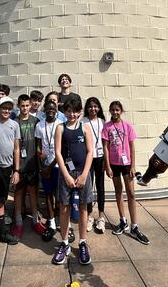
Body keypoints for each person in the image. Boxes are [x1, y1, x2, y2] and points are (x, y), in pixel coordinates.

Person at [52, 97, 93, 265]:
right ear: (64, 111)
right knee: (64, 207)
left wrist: (84, 175)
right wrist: (67, 176)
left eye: (75, 111)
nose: (72, 114)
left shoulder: (85, 127)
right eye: (69, 111)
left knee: (83, 207)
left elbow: (90, 152)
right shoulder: (60, 128)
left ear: (80, 112)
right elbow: (58, 153)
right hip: (66, 173)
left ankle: (82, 242)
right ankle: (64, 242)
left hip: (83, 172)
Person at [102, 101, 150, 245]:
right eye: (113, 110)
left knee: (131, 193)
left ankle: (135, 226)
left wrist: (133, 166)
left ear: (121, 111)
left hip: (126, 164)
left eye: (117, 110)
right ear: (110, 111)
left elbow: (132, 146)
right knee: (118, 192)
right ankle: (123, 221)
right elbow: (105, 147)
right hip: (114, 164)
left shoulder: (127, 126)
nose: (115, 112)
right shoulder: (107, 127)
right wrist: (107, 166)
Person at [0, 96, 20, 248]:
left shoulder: (14, 125)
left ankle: (1, 232)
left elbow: (16, 148)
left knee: (1, 199)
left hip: (7, 168)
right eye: (3, 108)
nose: (6, 110)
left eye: (9, 108)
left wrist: (16, 170)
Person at [12, 94, 44, 239]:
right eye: (22, 105)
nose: (25, 108)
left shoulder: (36, 121)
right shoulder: (14, 122)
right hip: (20, 165)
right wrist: (16, 168)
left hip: (32, 163)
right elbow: (15, 147)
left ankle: (35, 220)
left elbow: (40, 143)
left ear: (30, 106)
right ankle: (18, 222)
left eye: (27, 105)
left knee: (33, 192)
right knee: (18, 193)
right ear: (18, 106)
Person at [35, 100, 60, 240]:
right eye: (48, 108)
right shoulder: (39, 125)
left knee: (59, 195)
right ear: (45, 110)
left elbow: (60, 149)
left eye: (53, 108)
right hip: (44, 166)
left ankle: (61, 221)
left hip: (56, 166)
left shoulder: (60, 125)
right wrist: (41, 166)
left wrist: (50, 166)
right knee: (48, 193)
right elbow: (38, 147)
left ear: (56, 110)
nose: (50, 110)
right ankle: (51, 220)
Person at [83, 97, 106, 234]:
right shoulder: (83, 121)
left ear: (98, 108)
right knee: (88, 187)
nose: (93, 109)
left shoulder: (102, 121)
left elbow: (105, 142)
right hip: (88, 157)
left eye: (95, 106)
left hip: (100, 157)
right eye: (90, 106)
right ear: (87, 108)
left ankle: (101, 217)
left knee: (100, 186)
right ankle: (89, 216)